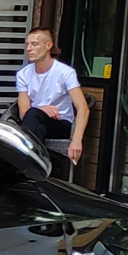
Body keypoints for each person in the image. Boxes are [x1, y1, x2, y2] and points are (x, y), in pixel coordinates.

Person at [14, 27, 87, 165]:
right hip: (36, 122)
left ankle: (18, 161)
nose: (29, 48)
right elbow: (24, 113)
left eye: (34, 44)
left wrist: (77, 140)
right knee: (38, 127)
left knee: (34, 114)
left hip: (60, 124)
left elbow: (83, 108)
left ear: (48, 45)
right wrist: (43, 109)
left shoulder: (65, 73)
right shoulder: (23, 74)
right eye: (27, 44)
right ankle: (37, 173)